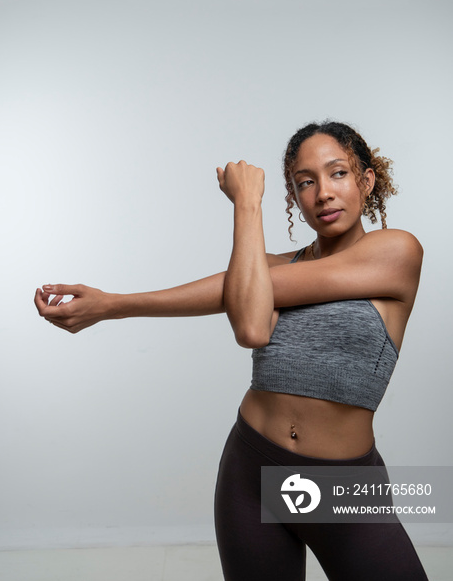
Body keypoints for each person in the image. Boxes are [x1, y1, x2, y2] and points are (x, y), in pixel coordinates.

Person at [34, 121, 429, 580]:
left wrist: (246, 203)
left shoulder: (397, 252)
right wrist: (111, 306)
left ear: (366, 179)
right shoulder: (268, 271)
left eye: (337, 173)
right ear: (294, 196)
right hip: (251, 470)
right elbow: (240, 299)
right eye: (305, 182)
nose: (323, 193)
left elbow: (248, 324)